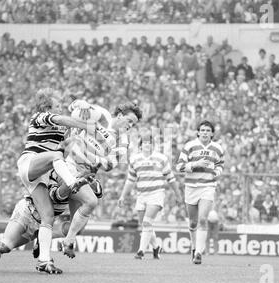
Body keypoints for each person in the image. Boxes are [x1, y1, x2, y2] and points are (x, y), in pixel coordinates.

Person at [0, 175, 91, 274]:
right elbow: (62, 192)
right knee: (5, 245)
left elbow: (76, 220)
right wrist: (77, 182)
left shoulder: (74, 195)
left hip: (40, 224)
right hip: (26, 212)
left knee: (3, 248)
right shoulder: (58, 187)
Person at [16, 88, 95, 273]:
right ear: (47, 107)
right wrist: (87, 125)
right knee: (54, 156)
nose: (61, 107)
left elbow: (72, 138)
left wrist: (85, 115)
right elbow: (61, 120)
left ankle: (44, 261)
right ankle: (71, 182)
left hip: (40, 176)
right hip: (29, 163)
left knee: (48, 217)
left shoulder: (61, 130)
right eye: (57, 105)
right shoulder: (40, 116)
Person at [59, 100, 142, 259]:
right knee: (90, 202)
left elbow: (110, 165)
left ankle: (41, 238)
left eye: (134, 124)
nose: (131, 125)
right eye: (130, 120)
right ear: (119, 115)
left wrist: (95, 160)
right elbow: (76, 109)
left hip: (84, 175)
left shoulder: (123, 140)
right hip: (68, 163)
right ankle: (67, 242)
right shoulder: (102, 115)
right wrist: (79, 103)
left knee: (78, 227)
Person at [118, 133, 182, 260]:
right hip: (141, 195)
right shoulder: (135, 159)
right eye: (145, 143)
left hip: (156, 194)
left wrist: (178, 194)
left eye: (150, 143)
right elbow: (130, 180)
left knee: (147, 223)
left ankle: (141, 251)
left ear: (153, 145)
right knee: (145, 224)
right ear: (141, 146)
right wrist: (122, 196)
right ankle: (156, 247)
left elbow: (170, 178)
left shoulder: (161, 158)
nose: (147, 145)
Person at [176, 120, 225, 264]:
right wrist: (195, 164)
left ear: (212, 134)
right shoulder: (189, 146)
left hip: (208, 186)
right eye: (202, 130)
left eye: (208, 131)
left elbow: (220, 164)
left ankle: (198, 253)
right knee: (193, 222)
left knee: (203, 219)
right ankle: (194, 246)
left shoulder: (217, 148)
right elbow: (179, 166)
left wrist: (217, 172)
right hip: (191, 187)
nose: (205, 133)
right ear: (198, 132)